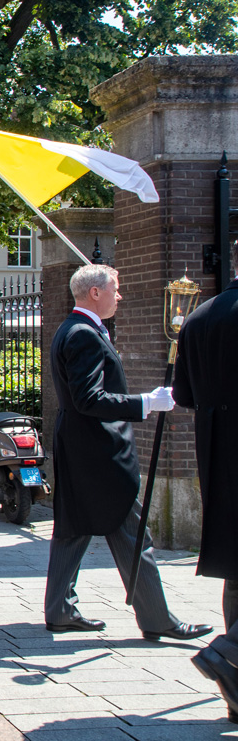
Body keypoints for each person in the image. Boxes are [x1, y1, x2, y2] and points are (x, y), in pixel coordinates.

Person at [45, 263, 210, 641]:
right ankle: (156, 619)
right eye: (115, 289)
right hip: (100, 453)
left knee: (74, 529)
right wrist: (144, 403)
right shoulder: (84, 334)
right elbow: (90, 398)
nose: (119, 296)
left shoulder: (72, 328)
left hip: (80, 446)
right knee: (132, 532)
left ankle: (59, 609)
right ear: (95, 293)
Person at [171, 241, 238, 723]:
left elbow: (184, 395)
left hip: (218, 455)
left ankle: (237, 696)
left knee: (237, 570)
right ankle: (229, 654)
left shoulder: (200, 317)